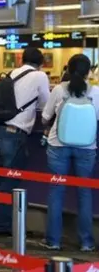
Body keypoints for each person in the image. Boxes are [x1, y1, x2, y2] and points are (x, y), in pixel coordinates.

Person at [0, 47, 50, 236]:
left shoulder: (12, 73)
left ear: (22, 59)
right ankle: (4, 225)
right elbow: (45, 105)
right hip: (14, 133)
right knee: (9, 179)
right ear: (40, 63)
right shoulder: (40, 76)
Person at [41, 54, 98, 251]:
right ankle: (86, 242)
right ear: (89, 72)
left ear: (68, 68)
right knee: (84, 193)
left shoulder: (58, 89)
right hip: (87, 147)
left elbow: (46, 116)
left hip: (58, 145)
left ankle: (53, 241)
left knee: (56, 192)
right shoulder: (95, 92)